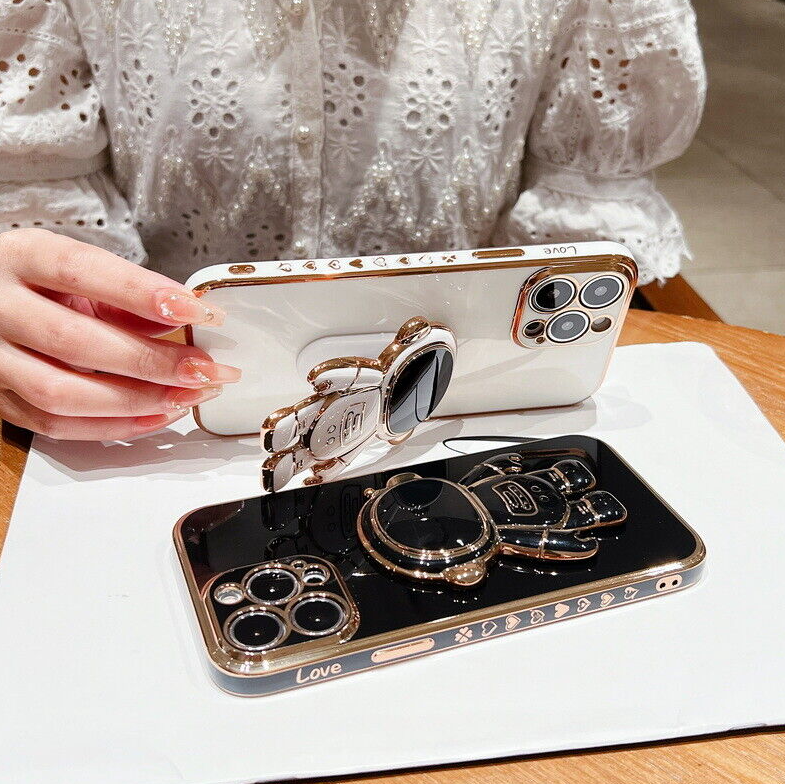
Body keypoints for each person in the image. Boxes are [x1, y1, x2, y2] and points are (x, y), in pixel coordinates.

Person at [0, 0, 705, 441]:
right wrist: (31, 301)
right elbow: (34, 197)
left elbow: (587, 209)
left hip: (461, 417)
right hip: (161, 420)